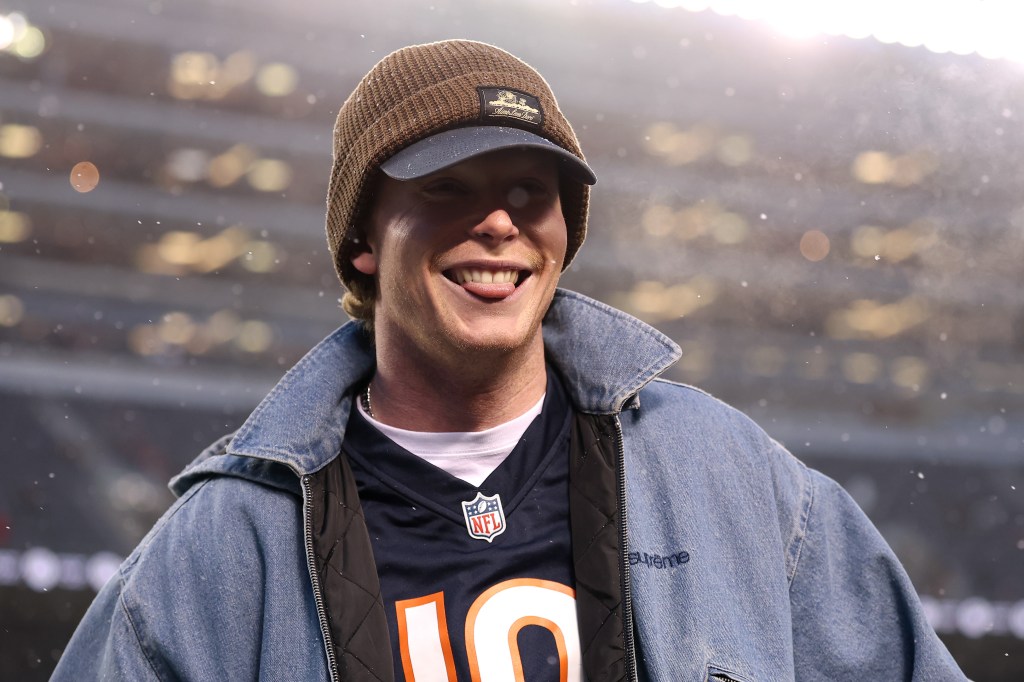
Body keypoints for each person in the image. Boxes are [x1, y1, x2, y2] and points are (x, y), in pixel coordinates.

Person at [53, 40, 966, 681]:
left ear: (564, 233)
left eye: (532, 191)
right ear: (364, 240)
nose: (498, 222)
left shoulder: (729, 476)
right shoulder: (222, 548)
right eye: (449, 189)